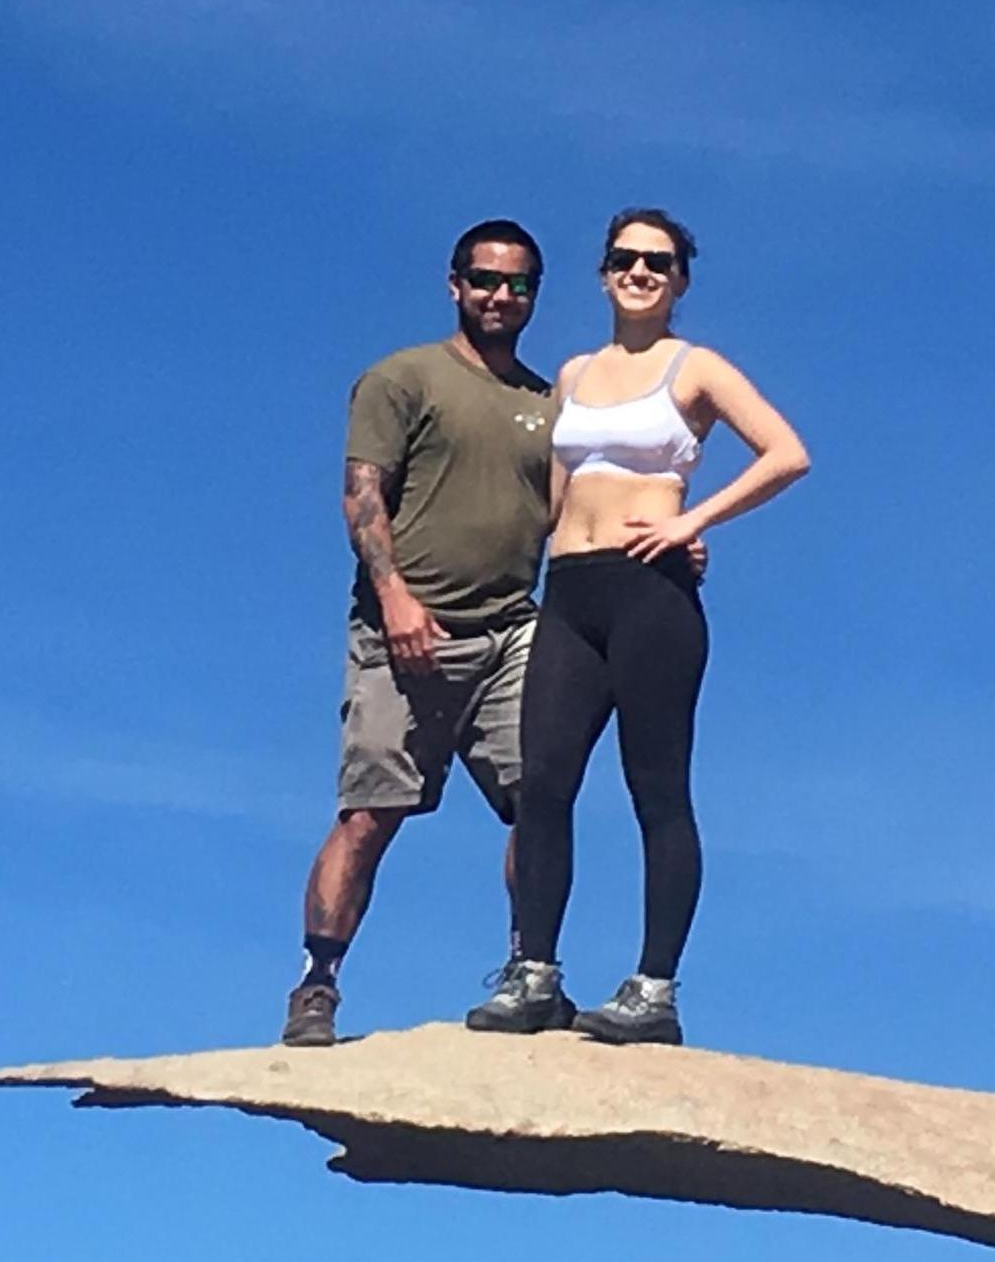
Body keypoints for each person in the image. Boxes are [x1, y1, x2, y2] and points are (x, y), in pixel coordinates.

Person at [467, 209, 809, 1047]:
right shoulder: (575, 373)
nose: (640, 272)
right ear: (603, 272)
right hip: (570, 590)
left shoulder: (695, 369)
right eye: (625, 258)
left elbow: (785, 452)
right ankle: (535, 974)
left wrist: (693, 526)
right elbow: (552, 491)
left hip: (650, 594)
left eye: (658, 262)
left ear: (680, 280)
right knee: (542, 782)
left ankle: (653, 989)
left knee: (655, 788)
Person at [282, 221, 556, 1048]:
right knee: (370, 812)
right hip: (406, 630)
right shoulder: (401, 378)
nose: (499, 296)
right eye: (484, 280)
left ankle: (528, 970)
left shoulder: (549, 405)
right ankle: (317, 983)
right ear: (453, 283)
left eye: (517, 285)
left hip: (512, 630)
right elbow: (362, 495)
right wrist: (394, 596)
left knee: (539, 806)